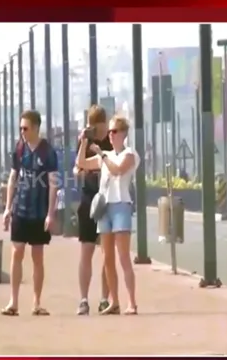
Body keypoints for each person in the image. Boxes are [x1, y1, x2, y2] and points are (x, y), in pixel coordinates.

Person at [76, 115, 140, 315]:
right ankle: (115, 301)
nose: (110, 136)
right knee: (108, 258)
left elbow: (119, 170)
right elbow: (82, 163)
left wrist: (102, 156)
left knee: (123, 257)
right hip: (104, 209)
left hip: (120, 205)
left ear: (122, 134)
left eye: (114, 132)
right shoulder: (105, 154)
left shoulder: (129, 154)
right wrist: (84, 142)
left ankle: (132, 302)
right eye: (109, 132)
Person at [1, 110, 59, 316]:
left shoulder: (47, 152)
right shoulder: (19, 149)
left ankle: (36, 302)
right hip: (20, 210)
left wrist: (50, 213)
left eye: (25, 128)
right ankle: (13, 302)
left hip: (39, 212)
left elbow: (54, 185)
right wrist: (8, 207)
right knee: (16, 252)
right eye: (20, 129)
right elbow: (13, 178)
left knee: (37, 256)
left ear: (36, 128)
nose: (22, 132)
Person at [73, 105, 110, 315]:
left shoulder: (111, 140)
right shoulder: (85, 141)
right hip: (88, 199)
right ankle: (84, 299)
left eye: (101, 127)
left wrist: (90, 165)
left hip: (107, 198)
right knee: (86, 251)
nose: (100, 132)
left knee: (107, 253)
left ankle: (105, 298)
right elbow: (76, 166)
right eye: (95, 128)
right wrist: (84, 142)